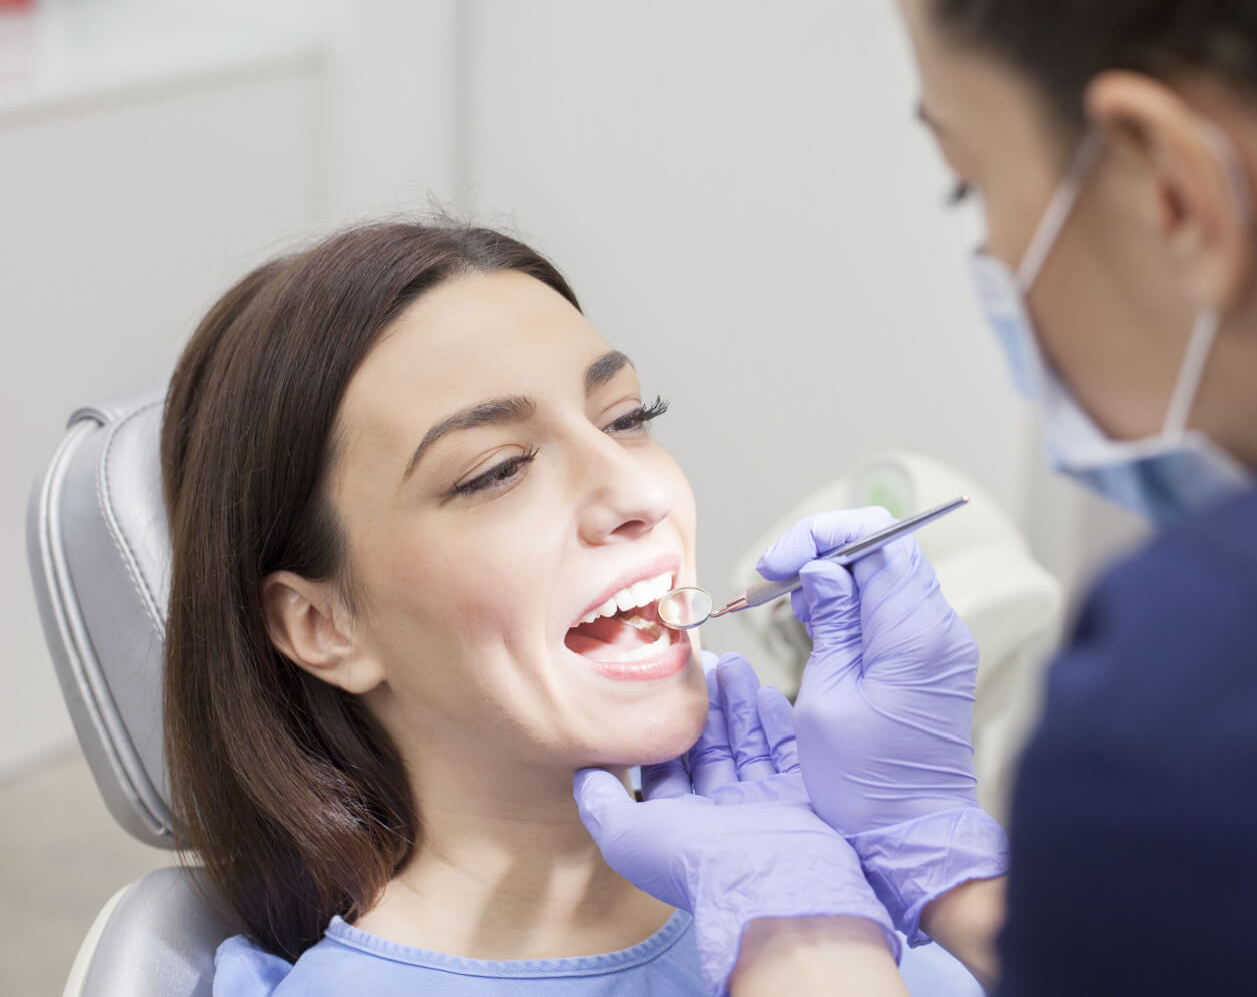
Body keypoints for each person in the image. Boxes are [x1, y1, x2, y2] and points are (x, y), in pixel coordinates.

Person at [574, 0, 1257, 994]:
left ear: (1172, 186)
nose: (627, 495)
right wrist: (949, 870)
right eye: (494, 470)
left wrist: (807, 938)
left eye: (963, 182)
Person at [161, 221, 975, 997]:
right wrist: (804, 944)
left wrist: (949, 866)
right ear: (322, 625)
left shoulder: (844, 879)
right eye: (496, 470)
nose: (636, 490)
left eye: (626, 419)